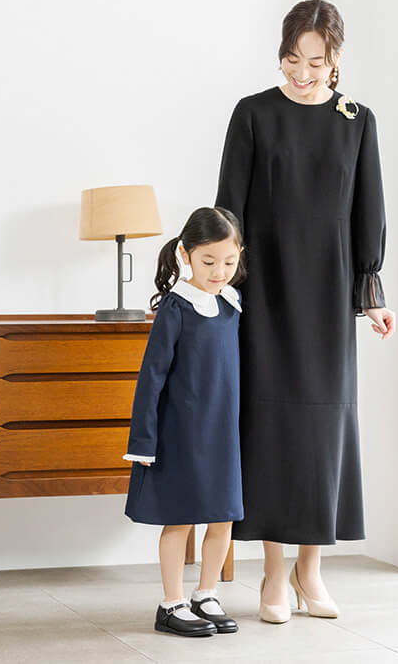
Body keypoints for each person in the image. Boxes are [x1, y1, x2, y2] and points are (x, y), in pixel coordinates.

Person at [214, 0, 396, 623]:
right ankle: (273, 573)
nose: (301, 72)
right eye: (292, 58)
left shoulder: (357, 121)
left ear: (335, 58)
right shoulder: (253, 114)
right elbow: (228, 208)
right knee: (270, 429)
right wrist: (221, 287)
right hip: (264, 294)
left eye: (315, 61)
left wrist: (371, 294)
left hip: (327, 296)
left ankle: (310, 571)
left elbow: (368, 210)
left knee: (322, 432)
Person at [122, 206, 247, 637]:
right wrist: (143, 440)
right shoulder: (176, 308)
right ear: (185, 254)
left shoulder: (232, 304)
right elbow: (151, 377)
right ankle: (171, 603)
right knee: (180, 518)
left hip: (222, 433)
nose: (219, 272)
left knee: (223, 516)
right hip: (181, 433)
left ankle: (205, 594)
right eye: (208, 261)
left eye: (228, 262)